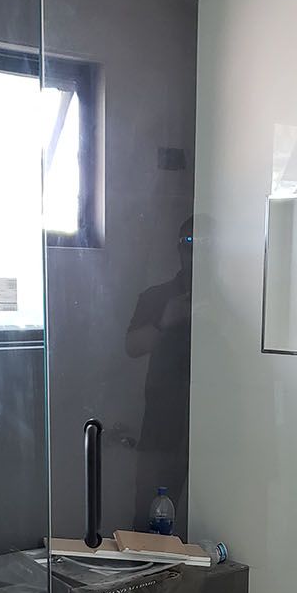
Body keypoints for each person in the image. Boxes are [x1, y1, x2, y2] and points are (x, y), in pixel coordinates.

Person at [125, 216, 193, 530]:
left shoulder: (235, 301)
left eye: (203, 244)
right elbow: (132, 346)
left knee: (209, 519)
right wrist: (166, 320)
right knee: (149, 515)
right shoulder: (158, 297)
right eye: (188, 242)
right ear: (178, 247)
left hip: (216, 430)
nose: (194, 251)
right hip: (162, 426)